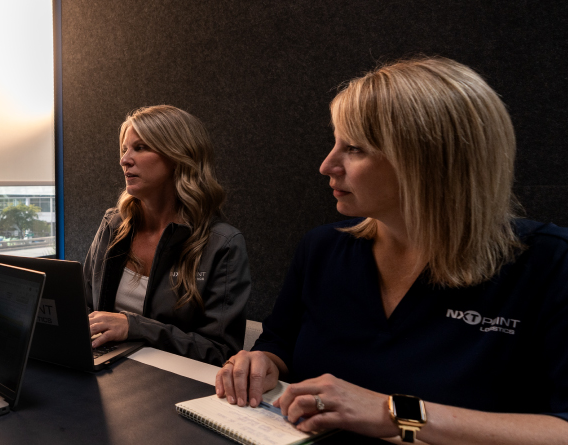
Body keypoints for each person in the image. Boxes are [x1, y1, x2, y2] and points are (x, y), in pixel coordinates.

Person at [215, 57, 568, 443]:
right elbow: (279, 341)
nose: (326, 165)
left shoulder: (548, 264)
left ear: (428, 162)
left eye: (354, 148)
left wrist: (394, 413)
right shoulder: (323, 247)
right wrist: (263, 361)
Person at [83, 105, 251, 366]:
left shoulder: (223, 244)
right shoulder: (112, 224)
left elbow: (221, 352)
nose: (124, 160)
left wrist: (135, 327)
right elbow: (84, 307)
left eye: (140, 148)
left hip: (171, 384)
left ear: (178, 157)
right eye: (124, 149)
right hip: (105, 370)